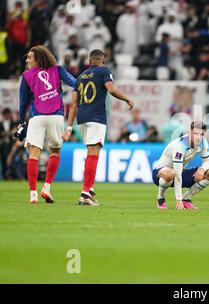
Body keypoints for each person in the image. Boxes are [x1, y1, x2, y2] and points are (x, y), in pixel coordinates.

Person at [63, 49, 134, 206]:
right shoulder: (104, 71)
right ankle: (85, 193)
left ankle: (90, 188)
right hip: (96, 116)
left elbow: (73, 104)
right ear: (102, 60)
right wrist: (127, 99)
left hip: (81, 118)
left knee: (91, 152)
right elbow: (111, 89)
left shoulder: (81, 76)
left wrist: (69, 127)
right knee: (93, 154)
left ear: (90, 61)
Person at [15, 45, 76, 204]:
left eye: (29, 57)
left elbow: (23, 102)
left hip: (37, 117)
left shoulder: (27, 76)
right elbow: (74, 83)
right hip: (56, 116)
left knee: (33, 154)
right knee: (55, 152)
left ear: (38, 58)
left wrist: (22, 122)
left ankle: (33, 194)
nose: (27, 60)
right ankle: (46, 189)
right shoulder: (58, 69)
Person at [152, 121, 209, 210]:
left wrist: (202, 169)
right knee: (170, 173)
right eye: (195, 133)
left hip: (180, 172)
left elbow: (207, 161)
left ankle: (186, 199)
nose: (198, 137)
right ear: (189, 132)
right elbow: (177, 174)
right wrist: (178, 200)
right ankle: (161, 198)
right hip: (160, 174)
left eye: (201, 134)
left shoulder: (203, 143)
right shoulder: (179, 145)